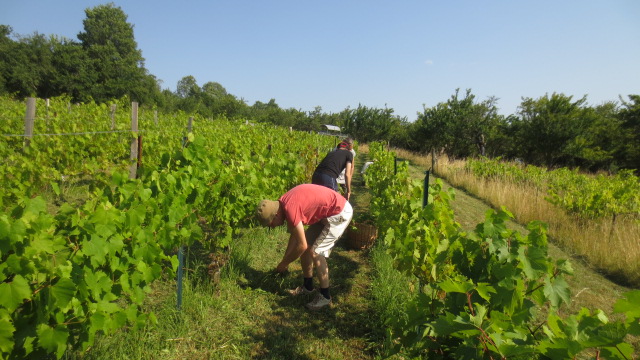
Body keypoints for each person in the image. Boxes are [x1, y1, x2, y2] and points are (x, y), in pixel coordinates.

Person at [255, 184, 353, 310]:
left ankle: (325, 296)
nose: (272, 227)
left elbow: (301, 246)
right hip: (327, 213)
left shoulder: (290, 209)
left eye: (271, 224)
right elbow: (295, 237)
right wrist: (284, 262)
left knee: (316, 252)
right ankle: (308, 287)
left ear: (276, 215)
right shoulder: (284, 203)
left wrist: (283, 264)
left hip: (339, 213)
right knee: (308, 246)